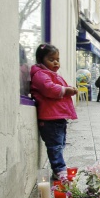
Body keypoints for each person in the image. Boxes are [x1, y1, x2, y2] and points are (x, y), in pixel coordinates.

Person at [30, 43, 78, 180]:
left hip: (58, 117)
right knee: (55, 145)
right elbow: (49, 88)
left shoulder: (52, 74)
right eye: (51, 60)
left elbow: (58, 87)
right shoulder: (40, 75)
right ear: (41, 60)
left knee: (60, 143)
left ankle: (59, 169)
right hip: (50, 118)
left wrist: (69, 89)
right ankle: (59, 169)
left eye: (57, 59)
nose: (56, 62)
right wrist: (65, 90)